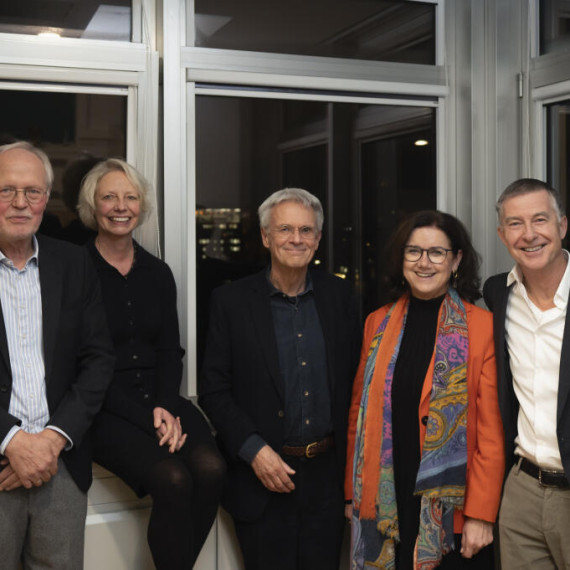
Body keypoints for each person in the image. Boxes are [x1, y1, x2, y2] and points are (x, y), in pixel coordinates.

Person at [199, 187, 361, 570]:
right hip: (262, 477)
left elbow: (359, 384)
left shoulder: (340, 297)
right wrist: (253, 450)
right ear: (266, 237)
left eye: (306, 231)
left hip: (328, 478)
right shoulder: (231, 302)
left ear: (318, 240)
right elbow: (214, 389)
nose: (296, 239)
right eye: (285, 229)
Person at [77, 158, 226, 569]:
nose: (120, 206)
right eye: (109, 197)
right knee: (172, 479)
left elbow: (168, 351)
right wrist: (150, 418)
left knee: (211, 469)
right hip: (105, 409)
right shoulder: (74, 272)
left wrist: (165, 406)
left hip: (162, 399)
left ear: (141, 206)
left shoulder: (159, 273)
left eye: (130, 197)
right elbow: (83, 363)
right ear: (93, 204)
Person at [346, 210, 505, 570]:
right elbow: (359, 414)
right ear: (400, 258)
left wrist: (482, 514)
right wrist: (351, 494)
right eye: (414, 251)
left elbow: (492, 434)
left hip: (454, 507)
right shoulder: (377, 322)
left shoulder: (481, 327)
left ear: (456, 260)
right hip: (386, 494)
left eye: (437, 253)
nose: (424, 262)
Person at [0, 141, 115, 569]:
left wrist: (51, 441)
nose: (19, 203)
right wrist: (12, 441)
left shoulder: (72, 263)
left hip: (60, 467)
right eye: (6, 190)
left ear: (46, 199)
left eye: (32, 191)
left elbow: (98, 358)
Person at [483, 178, 570, 569]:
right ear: (502, 235)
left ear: (562, 226)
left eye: (540, 220)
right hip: (521, 491)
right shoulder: (498, 294)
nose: (529, 234)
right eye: (515, 224)